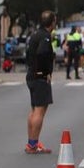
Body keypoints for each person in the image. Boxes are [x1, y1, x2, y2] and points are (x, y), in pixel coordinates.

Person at [24, 10, 57, 154]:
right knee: (39, 110)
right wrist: (45, 72)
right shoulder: (45, 37)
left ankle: (32, 142)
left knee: (33, 110)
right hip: (39, 78)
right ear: (52, 22)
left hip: (31, 75)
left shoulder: (35, 35)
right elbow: (42, 54)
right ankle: (33, 144)